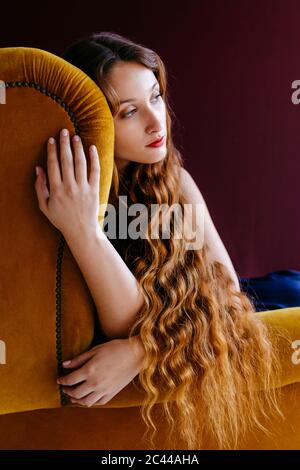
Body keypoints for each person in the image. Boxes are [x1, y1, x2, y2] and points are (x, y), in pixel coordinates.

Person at [34, 31, 285, 450]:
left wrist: (140, 352)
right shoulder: (71, 197)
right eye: (129, 111)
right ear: (90, 120)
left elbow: (229, 296)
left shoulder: (175, 181)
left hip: (253, 300)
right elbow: (123, 318)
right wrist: (84, 231)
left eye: (155, 97)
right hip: (198, 322)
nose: (157, 122)